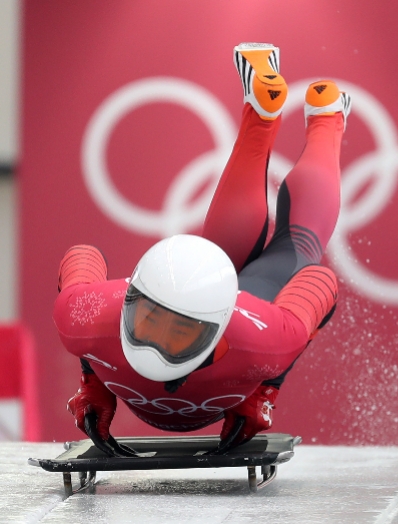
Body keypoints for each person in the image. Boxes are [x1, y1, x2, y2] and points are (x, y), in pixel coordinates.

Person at [54, 43, 351, 448]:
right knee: (298, 244)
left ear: (218, 331)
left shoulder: (261, 335)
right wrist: (264, 390)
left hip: (246, 304)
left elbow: (81, 258)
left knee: (290, 244)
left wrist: (94, 380)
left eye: (179, 332)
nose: (158, 346)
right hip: (236, 300)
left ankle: (316, 117)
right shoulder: (265, 341)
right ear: (129, 302)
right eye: (150, 322)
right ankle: (323, 117)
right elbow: (318, 281)